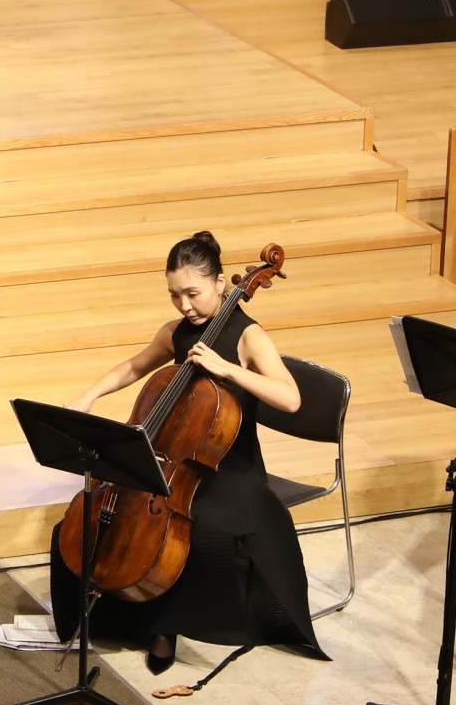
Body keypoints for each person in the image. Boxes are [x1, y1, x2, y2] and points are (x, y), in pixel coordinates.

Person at [48, 230, 323, 677]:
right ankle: (103, 614)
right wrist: (89, 395)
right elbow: (134, 367)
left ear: (219, 283)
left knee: (192, 532)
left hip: (229, 467)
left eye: (192, 293)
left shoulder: (248, 335)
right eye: (175, 295)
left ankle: (166, 627)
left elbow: (290, 398)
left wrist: (227, 368)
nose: (184, 305)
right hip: (172, 458)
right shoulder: (175, 332)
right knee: (90, 519)